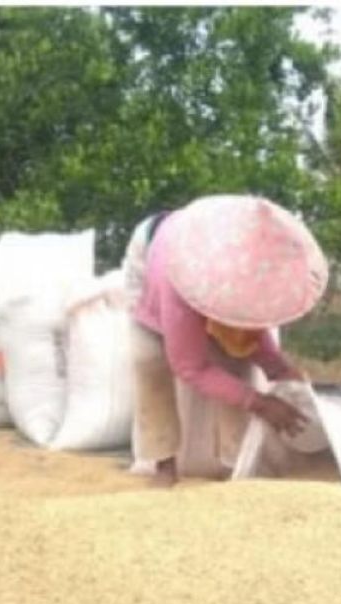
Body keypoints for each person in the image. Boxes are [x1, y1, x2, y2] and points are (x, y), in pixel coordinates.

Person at [130, 194, 329, 487]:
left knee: (235, 359)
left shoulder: (248, 265)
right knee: (148, 362)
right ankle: (163, 463)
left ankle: (236, 461)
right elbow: (190, 367)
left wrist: (282, 373)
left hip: (212, 255)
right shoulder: (175, 285)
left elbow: (255, 340)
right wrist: (260, 403)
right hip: (152, 252)